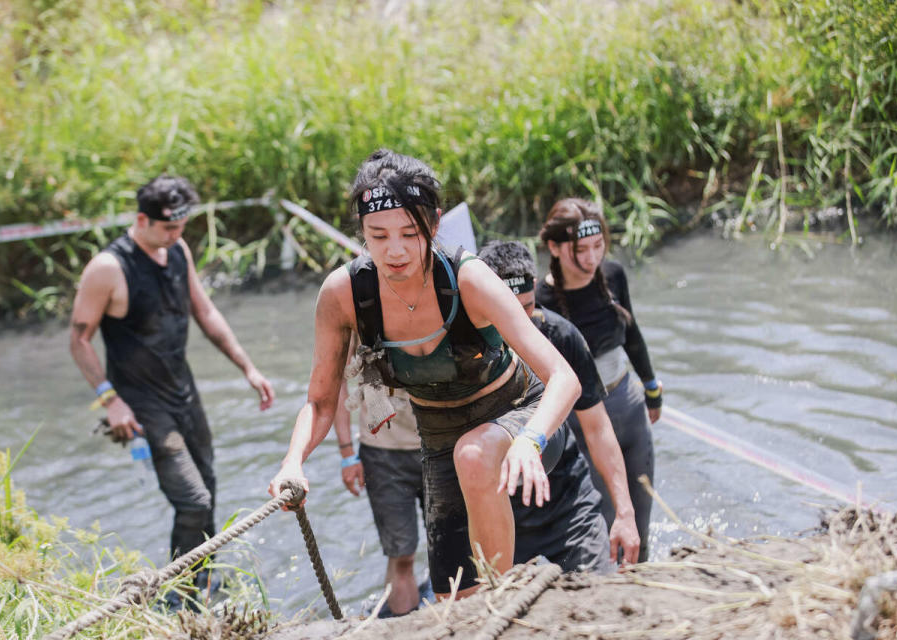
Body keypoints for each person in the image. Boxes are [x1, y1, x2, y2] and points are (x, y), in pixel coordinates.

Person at [268, 149, 581, 600]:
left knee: (474, 457)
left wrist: (532, 440)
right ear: (362, 234)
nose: (394, 251)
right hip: (439, 440)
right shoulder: (344, 294)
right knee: (455, 597)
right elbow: (320, 400)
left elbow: (563, 378)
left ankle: (505, 604)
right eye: (378, 236)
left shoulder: (469, 279)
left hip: (520, 416)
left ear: (434, 226)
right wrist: (292, 461)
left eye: (410, 234)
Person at [69, 175, 276, 576]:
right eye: (168, 227)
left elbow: (205, 312)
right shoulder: (109, 269)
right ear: (142, 220)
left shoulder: (177, 248)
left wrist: (247, 367)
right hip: (142, 404)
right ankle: (176, 594)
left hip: (184, 393)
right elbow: (79, 341)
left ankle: (205, 588)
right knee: (194, 501)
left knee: (210, 490)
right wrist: (110, 400)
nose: (177, 234)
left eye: (182, 226)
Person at [478, 240, 640, 568]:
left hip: (568, 504)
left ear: (535, 289)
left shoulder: (562, 335)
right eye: (506, 310)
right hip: (502, 512)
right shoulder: (464, 346)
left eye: (526, 307)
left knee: (600, 596)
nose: (518, 322)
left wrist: (624, 511)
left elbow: (597, 428)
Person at [536, 198, 662, 562]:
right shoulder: (539, 301)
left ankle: (644, 585)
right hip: (581, 421)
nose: (592, 259)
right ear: (555, 248)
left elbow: (633, 334)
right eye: (581, 250)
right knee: (607, 517)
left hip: (627, 403)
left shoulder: (613, 275)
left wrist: (651, 388)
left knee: (639, 512)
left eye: (598, 246)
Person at [333, 366, 429, 616]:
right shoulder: (355, 324)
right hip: (383, 453)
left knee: (452, 545)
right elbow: (336, 382)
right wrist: (346, 454)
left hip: (443, 441)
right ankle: (403, 625)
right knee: (401, 555)